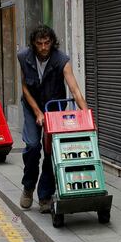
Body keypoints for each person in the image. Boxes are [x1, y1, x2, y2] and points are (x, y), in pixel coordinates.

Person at [17, 25, 88, 214]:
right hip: (32, 107)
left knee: (51, 151)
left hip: (55, 107)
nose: (43, 47)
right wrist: (37, 112)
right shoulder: (24, 57)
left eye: (47, 43)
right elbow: (24, 87)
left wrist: (86, 114)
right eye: (39, 43)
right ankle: (28, 186)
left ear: (52, 42)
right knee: (33, 146)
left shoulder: (61, 60)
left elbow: (74, 89)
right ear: (33, 43)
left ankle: (45, 195)